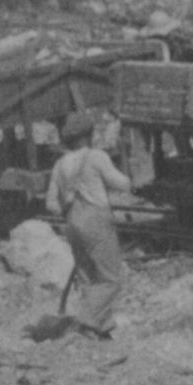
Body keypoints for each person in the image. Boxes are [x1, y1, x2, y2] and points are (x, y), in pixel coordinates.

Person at [46, 111, 133, 338]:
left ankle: (100, 329)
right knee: (112, 278)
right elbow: (122, 185)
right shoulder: (96, 157)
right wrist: (127, 172)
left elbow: (51, 204)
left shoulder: (59, 164)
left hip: (72, 222)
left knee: (88, 277)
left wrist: (70, 207)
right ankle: (86, 321)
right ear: (89, 134)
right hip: (96, 220)